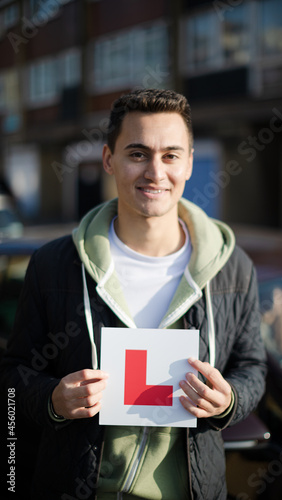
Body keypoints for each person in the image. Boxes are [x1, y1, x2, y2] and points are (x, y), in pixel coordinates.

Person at [0, 88, 266, 500]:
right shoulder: (54, 265)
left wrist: (230, 400)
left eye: (171, 155)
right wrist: (52, 398)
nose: (156, 173)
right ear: (109, 159)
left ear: (190, 163)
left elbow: (252, 366)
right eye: (138, 154)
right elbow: (13, 376)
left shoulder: (233, 268)